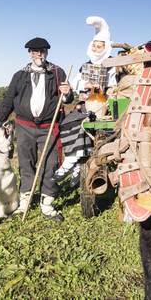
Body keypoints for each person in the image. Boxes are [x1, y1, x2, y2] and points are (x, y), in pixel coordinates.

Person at [0, 37, 73, 222]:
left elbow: (67, 99)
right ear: (30, 53)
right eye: (35, 51)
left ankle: (47, 205)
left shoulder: (58, 72)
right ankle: (25, 202)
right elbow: (8, 101)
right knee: (26, 163)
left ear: (47, 52)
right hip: (24, 126)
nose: (38, 54)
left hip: (49, 127)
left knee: (51, 164)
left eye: (41, 51)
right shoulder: (19, 75)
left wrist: (67, 93)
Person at [55, 17, 116, 185]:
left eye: (100, 46)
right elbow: (76, 83)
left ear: (106, 47)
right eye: (95, 46)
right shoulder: (85, 65)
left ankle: (72, 163)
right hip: (84, 104)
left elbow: (115, 86)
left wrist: (103, 89)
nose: (96, 49)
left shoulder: (111, 66)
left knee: (85, 124)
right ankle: (74, 161)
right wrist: (85, 84)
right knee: (68, 122)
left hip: (102, 107)